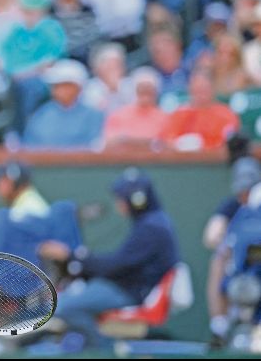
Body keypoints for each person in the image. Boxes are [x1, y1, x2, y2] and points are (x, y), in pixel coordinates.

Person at [38, 168, 180, 349]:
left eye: (122, 198)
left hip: (130, 292)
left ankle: (107, 350)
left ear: (137, 200)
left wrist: (72, 257)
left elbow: (116, 266)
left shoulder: (152, 227)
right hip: (127, 286)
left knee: (62, 307)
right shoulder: (152, 222)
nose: (118, 203)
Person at [202, 156, 261, 345]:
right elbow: (211, 237)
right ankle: (220, 327)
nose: (243, 194)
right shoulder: (235, 207)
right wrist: (230, 245)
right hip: (241, 269)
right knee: (219, 259)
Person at [22, 59, 105, 150]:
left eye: (65, 85)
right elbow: (29, 147)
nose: (59, 90)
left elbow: (96, 147)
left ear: (78, 88)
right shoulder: (41, 115)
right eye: (55, 86)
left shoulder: (93, 115)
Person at [160, 69, 240, 151]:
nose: (201, 94)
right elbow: (167, 141)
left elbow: (230, 142)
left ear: (212, 89)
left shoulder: (225, 114)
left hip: (214, 160)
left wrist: (204, 148)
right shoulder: (179, 114)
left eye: (204, 89)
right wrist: (181, 146)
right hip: (183, 160)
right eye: (197, 90)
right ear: (190, 89)